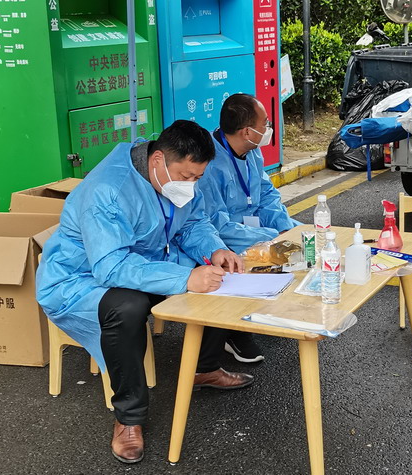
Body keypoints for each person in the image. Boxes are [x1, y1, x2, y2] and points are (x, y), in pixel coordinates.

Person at [36, 120, 252, 465]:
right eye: (186, 176)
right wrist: (185, 278)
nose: (190, 185)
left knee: (217, 278)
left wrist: (215, 250)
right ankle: (129, 417)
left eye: (197, 178)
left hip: (148, 260)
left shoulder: (173, 176)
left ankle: (204, 367)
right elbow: (110, 267)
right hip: (80, 278)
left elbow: (193, 223)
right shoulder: (107, 190)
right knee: (128, 307)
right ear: (158, 160)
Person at [197, 93, 302, 364]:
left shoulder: (252, 150)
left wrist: (284, 228)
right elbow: (217, 224)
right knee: (273, 251)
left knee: (305, 238)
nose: (268, 128)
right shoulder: (208, 162)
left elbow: (267, 195)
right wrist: (273, 237)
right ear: (246, 131)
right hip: (227, 236)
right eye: (265, 123)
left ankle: (273, 307)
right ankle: (234, 329)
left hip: (256, 229)